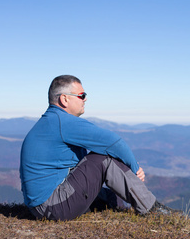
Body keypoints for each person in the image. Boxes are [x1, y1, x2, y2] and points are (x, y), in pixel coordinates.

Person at [20, 75, 173, 220]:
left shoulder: (51, 122)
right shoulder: (62, 122)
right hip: (53, 206)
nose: (85, 99)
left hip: (42, 206)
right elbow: (114, 142)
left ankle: (120, 208)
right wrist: (135, 169)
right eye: (81, 95)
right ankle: (152, 209)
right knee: (102, 158)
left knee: (110, 197)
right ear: (64, 99)